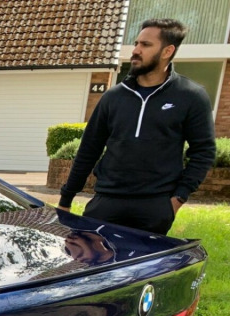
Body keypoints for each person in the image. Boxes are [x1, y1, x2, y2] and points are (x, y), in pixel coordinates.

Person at [57, 18, 216, 234]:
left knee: (146, 258)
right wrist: (66, 199)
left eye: (146, 45)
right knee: (90, 254)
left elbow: (204, 152)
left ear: (167, 51)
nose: (136, 50)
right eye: (136, 43)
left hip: (155, 206)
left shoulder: (191, 96)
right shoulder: (113, 97)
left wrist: (178, 198)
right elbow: (89, 149)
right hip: (106, 201)